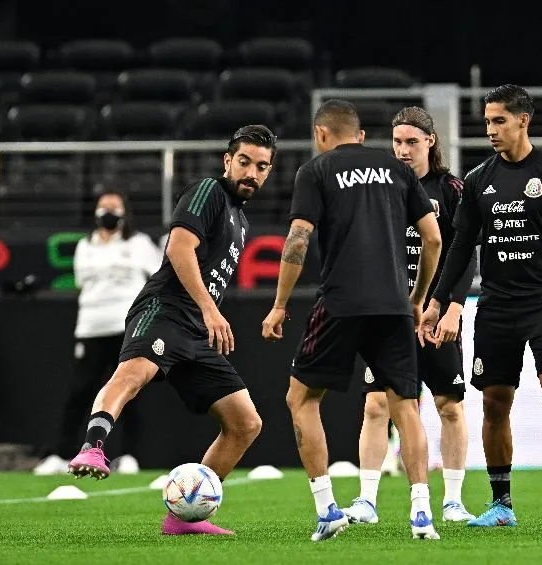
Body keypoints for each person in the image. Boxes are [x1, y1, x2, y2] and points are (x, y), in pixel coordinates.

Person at [67, 125, 276, 536]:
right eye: (245, 162)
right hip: (165, 309)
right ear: (227, 161)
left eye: (263, 167)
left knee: (245, 423)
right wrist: (210, 309)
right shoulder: (208, 192)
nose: (252, 172)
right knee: (135, 372)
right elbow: (179, 248)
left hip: (197, 330)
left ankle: (183, 518)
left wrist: (206, 316)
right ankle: (93, 447)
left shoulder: (241, 218)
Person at [422, 84, 542, 528]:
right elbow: (461, 248)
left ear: (523, 120)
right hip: (496, 306)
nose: (490, 129)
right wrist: (438, 302)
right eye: (486, 121)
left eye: (498, 120)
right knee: (494, 401)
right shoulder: (478, 181)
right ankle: (501, 504)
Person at [262, 100, 442, 542]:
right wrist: (417, 297)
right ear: (360, 135)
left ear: (321, 135)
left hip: (341, 303)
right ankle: (422, 512)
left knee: (301, 399)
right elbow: (434, 237)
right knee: (406, 406)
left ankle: (327, 510)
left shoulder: (316, 171)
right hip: (394, 306)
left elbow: (298, 239)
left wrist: (280, 304)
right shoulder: (397, 170)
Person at [342, 106, 478, 525]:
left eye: (412, 142)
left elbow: (464, 251)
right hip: (389, 317)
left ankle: (452, 500)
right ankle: (366, 500)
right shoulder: (380, 187)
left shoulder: (451, 189)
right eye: (397, 142)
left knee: (449, 405)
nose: (403, 150)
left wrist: (453, 306)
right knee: (375, 406)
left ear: (430, 142)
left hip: (437, 316)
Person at [35, 191, 162, 476]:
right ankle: (61, 453)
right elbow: (83, 278)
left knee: (130, 392)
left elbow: (156, 276)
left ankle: (130, 455)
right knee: (80, 392)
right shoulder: (85, 246)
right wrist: (120, 267)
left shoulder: (139, 243)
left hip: (128, 328)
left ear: (125, 212)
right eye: (104, 207)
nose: (109, 212)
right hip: (91, 327)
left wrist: (116, 270)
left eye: (114, 208)